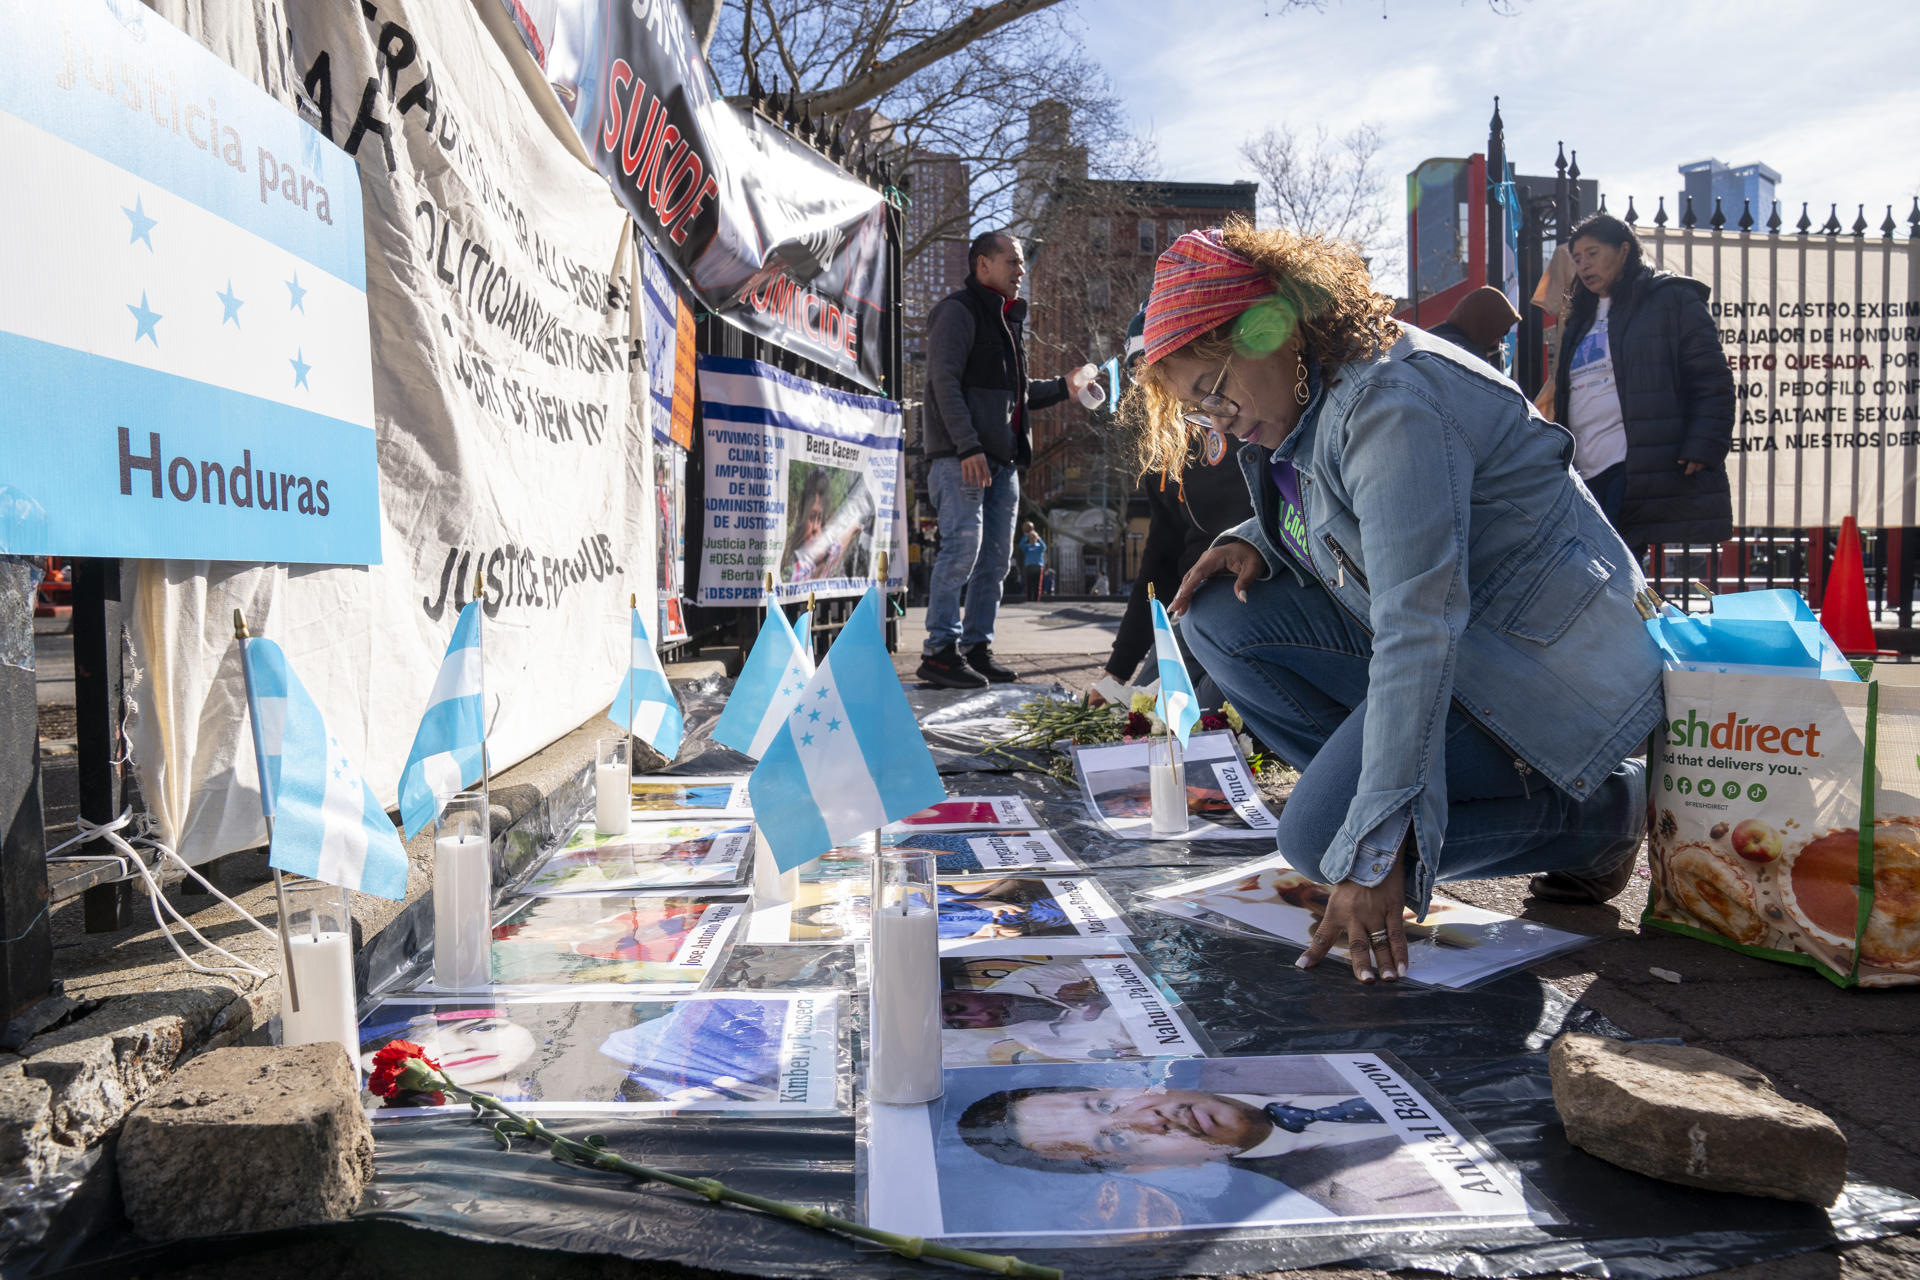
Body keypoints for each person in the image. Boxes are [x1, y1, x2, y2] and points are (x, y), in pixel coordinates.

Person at [1131, 222, 1660, 986]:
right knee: (1220, 615)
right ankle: (1390, 802)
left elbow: (1419, 626)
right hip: (1483, 653)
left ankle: (1604, 819)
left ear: (1272, 328)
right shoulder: (1317, 384)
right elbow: (1353, 515)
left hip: (1548, 678)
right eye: (1197, 410)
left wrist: (1375, 849)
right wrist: (1263, 535)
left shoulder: (1388, 401)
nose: (1217, 419)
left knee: (1320, 846)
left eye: (1214, 389)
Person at [918, 231, 1096, 688]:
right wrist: (968, 447)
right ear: (983, 266)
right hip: (963, 458)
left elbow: (1017, 393)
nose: (1021, 271)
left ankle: (976, 648)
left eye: (1021, 264)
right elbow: (944, 383)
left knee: (995, 562)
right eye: (1012, 262)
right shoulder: (957, 312)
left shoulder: (1008, 321)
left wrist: (1065, 386)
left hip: (1002, 461)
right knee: (962, 551)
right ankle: (940, 651)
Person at [957, 1083, 1455, 1216]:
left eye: (1105, 1103)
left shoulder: (1276, 1041)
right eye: (1115, 1137)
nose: (1145, 1119)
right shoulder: (1353, 1198)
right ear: (1136, 1167)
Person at [1094, 307, 1254, 705]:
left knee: (1196, 711)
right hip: (1193, 605)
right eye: (1139, 374)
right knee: (1141, 709)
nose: (1153, 385)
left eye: (1160, 367)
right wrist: (1117, 669)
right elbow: (1160, 559)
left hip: (1245, 595)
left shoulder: (1239, 420)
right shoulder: (1164, 449)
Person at [1552, 212, 1736, 550]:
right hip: (1583, 470)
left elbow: (1712, 378)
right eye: (1577, 258)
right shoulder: (1579, 317)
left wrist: (1704, 444)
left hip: (1632, 467)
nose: (1583, 265)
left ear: (1624, 250)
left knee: (1616, 571)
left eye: (1593, 253)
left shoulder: (1671, 299)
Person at [1427, 285, 1521, 370]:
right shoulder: (1472, 359)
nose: (1500, 341)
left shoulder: (1430, 337)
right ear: (1486, 326)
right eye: (1499, 332)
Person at [1019, 522, 1048, 601]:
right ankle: (1028, 599)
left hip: (1038, 567)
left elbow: (1044, 547)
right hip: (1029, 567)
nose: (1032, 539)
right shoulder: (1027, 547)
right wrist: (1026, 535)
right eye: (1030, 538)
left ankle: (1036, 599)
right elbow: (1021, 545)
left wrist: (1039, 538)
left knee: (1037, 584)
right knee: (1029, 584)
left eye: (1033, 538)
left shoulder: (1039, 547)